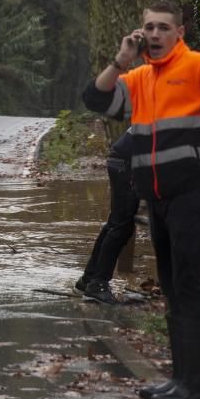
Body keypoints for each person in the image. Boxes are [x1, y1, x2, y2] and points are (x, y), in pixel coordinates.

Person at [82, 0, 200, 399]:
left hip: (190, 193)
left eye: (164, 27)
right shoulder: (142, 76)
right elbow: (96, 99)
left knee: (186, 286)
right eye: (149, 26)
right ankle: (180, 379)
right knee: (171, 287)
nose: (155, 34)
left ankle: (196, 387)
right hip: (157, 197)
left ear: (179, 32)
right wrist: (121, 59)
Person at [74, 128, 140, 304]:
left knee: (116, 223)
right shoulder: (181, 110)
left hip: (124, 157)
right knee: (121, 226)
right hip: (128, 161)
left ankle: (89, 278)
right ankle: (98, 285)